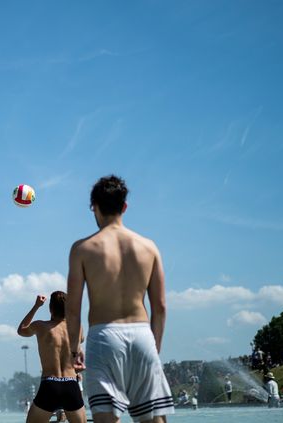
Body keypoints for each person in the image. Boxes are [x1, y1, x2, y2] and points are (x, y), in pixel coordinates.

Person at [65, 175, 174, 423]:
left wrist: (74, 349)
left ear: (94, 206)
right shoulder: (149, 247)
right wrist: (153, 349)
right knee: (152, 419)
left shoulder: (83, 249)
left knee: (105, 418)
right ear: (124, 207)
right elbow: (161, 307)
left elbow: (72, 309)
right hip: (142, 335)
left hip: (104, 337)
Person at [18, 292, 85, 423]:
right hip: (71, 384)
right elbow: (81, 341)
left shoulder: (40, 326)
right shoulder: (77, 328)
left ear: (50, 309)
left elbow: (21, 330)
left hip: (50, 384)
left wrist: (36, 306)